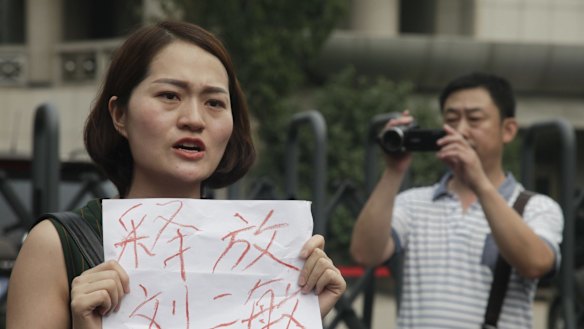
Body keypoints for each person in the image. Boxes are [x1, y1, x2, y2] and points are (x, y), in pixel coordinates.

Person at [7, 21, 346, 328]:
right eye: (169, 96)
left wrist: (301, 312)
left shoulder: (269, 255)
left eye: (214, 102)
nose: (194, 119)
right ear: (120, 114)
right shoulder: (55, 245)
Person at [351, 72, 563, 328]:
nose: (461, 130)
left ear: (507, 130)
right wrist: (393, 171)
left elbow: (536, 264)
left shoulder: (536, 207)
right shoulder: (413, 202)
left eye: (474, 119)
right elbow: (365, 253)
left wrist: (480, 184)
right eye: (451, 119)